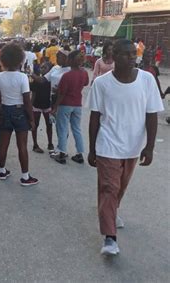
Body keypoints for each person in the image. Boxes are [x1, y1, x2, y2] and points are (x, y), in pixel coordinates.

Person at [88, 39, 164, 256]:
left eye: (133, 54)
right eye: (125, 54)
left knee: (120, 187)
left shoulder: (147, 80)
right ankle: (110, 238)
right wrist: (92, 149)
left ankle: (111, 212)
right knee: (109, 188)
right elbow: (95, 117)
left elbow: (151, 115)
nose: (131, 58)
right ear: (114, 56)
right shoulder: (102, 83)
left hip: (133, 146)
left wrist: (149, 147)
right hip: (108, 145)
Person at [0, 43, 38, 185]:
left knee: (3, 143)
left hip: (4, 111)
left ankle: (2, 170)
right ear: (20, 59)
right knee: (22, 145)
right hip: (19, 111)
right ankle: (25, 177)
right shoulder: (22, 77)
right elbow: (26, 100)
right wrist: (31, 119)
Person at [51, 50, 89, 164]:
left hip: (65, 104)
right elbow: (86, 83)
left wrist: (55, 107)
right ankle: (79, 153)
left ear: (71, 60)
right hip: (77, 104)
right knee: (77, 129)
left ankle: (62, 153)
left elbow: (61, 93)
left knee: (62, 128)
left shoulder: (66, 75)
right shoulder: (84, 73)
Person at [30, 63, 54, 154]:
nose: (42, 69)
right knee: (35, 125)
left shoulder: (50, 80)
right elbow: (33, 95)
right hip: (37, 105)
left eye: (45, 67)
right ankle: (35, 144)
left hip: (47, 105)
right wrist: (30, 106)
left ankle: (50, 143)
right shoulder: (37, 80)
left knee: (49, 125)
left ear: (49, 70)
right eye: (41, 67)